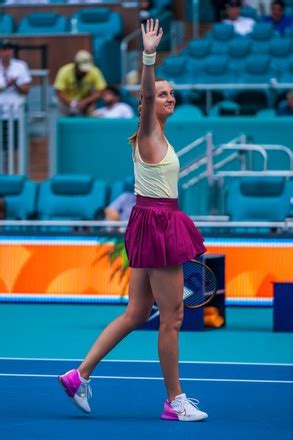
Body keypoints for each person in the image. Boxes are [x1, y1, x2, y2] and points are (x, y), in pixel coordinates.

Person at [58, 18, 208, 422]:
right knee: (172, 318)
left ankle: (79, 374)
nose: (168, 96)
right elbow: (145, 87)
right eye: (161, 94)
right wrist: (148, 56)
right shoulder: (147, 132)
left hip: (151, 221)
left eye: (171, 92)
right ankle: (174, 401)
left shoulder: (159, 135)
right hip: (158, 224)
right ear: (146, 103)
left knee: (137, 313)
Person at [54, 50, 106, 116]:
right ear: (76, 65)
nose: (84, 72)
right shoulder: (64, 71)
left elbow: (101, 90)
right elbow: (59, 91)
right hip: (67, 102)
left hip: (86, 101)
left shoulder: (94, 71)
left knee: (92, 115)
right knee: (65, 116)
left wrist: (85, 101)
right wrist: (72, 103)